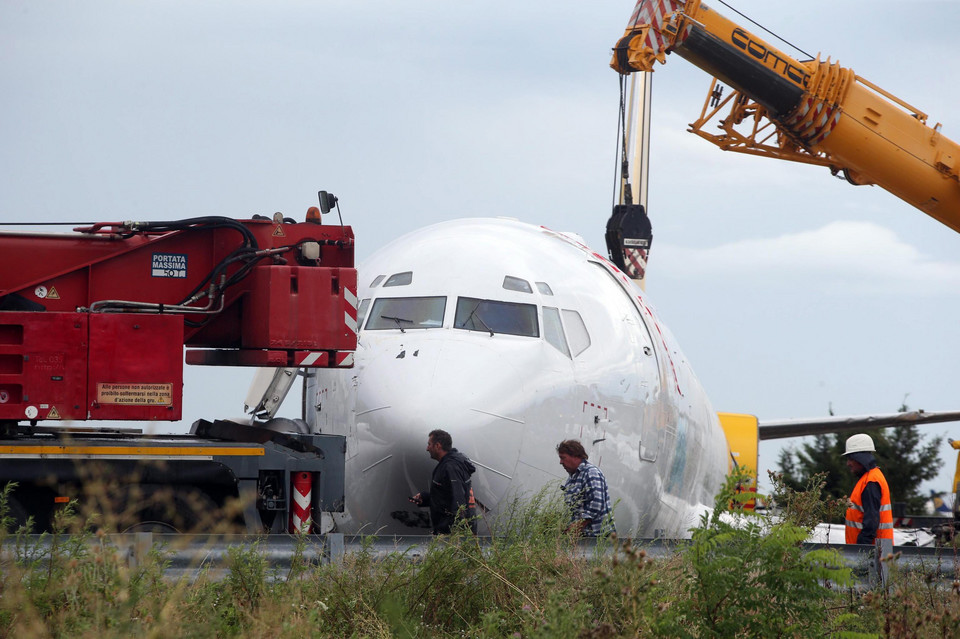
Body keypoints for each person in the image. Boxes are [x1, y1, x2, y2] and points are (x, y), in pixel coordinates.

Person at [409, 429, 478, 534]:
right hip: (450, 531)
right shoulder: (449, 464)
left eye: (429, 444)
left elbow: (459, 501)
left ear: (437, 446)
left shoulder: (451, 467)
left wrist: (456, 534)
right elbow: (448, 495)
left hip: (454, 533)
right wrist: (426, 498)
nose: (427, 448)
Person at [842, 433, 893, 545]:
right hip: (876, 551)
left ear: (860, 458)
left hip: (873, 553)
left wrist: (860, 549)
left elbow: (871, 522)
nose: (848, 463)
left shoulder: (871, 482)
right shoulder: (868, 479)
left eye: (850, 458)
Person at [557, 439, 614, 536]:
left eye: (563, 458)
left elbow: (596, 504)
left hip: (597, 538)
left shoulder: (591, 473)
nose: (560, 462)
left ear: (575, 456)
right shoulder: (572, 477)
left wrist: (578, 525)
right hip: (583, 539)